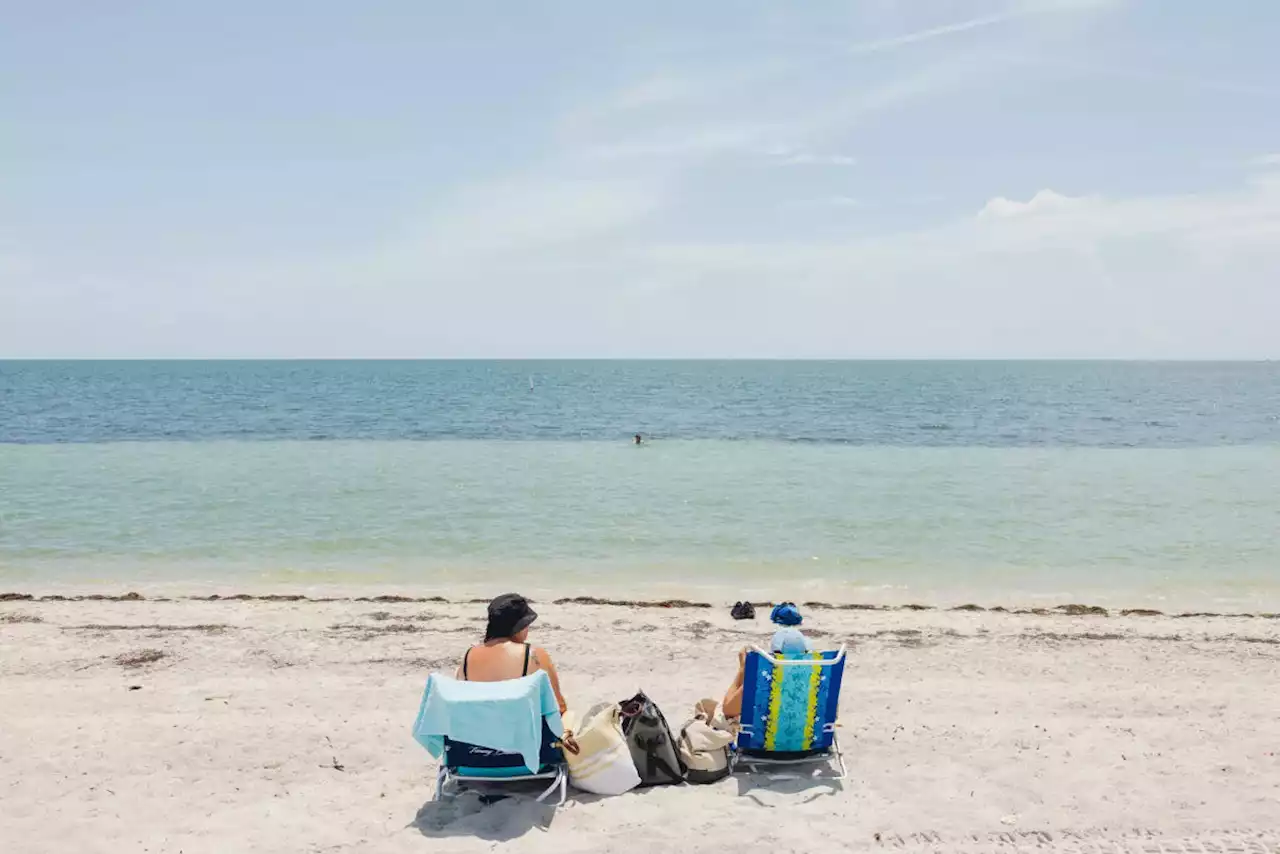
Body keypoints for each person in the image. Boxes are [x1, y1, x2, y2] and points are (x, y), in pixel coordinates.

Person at [456, 593, 570, 717]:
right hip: (523, 734)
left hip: (477, 733)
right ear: (519, 626)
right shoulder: (533, 655)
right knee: (569, 716)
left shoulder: (469, 656)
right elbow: (559, 707)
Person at [720, 602, 814, 719]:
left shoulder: (765, 677)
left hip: (765, 736)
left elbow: (728, 710)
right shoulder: (817, 680)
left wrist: (743, 669)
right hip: (807, 735)